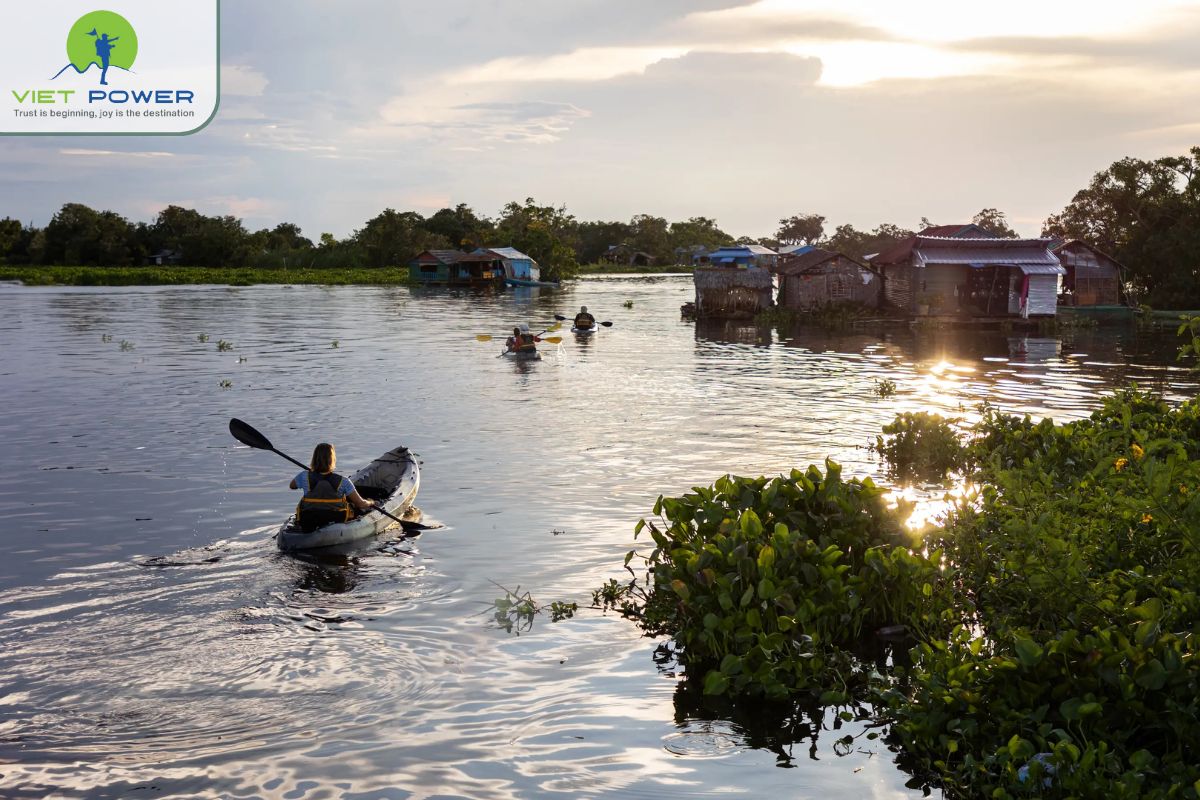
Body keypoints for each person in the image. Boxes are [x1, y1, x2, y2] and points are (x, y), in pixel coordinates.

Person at [289, 443, 375, 532]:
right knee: (355, 507)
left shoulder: (304, 476)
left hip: (309, 518)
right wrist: (370, 502)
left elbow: (292, 486)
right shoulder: (344, 481)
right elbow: (360, 504)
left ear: (314, 459)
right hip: (336, 520)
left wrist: (310, 474)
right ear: (332, 459)